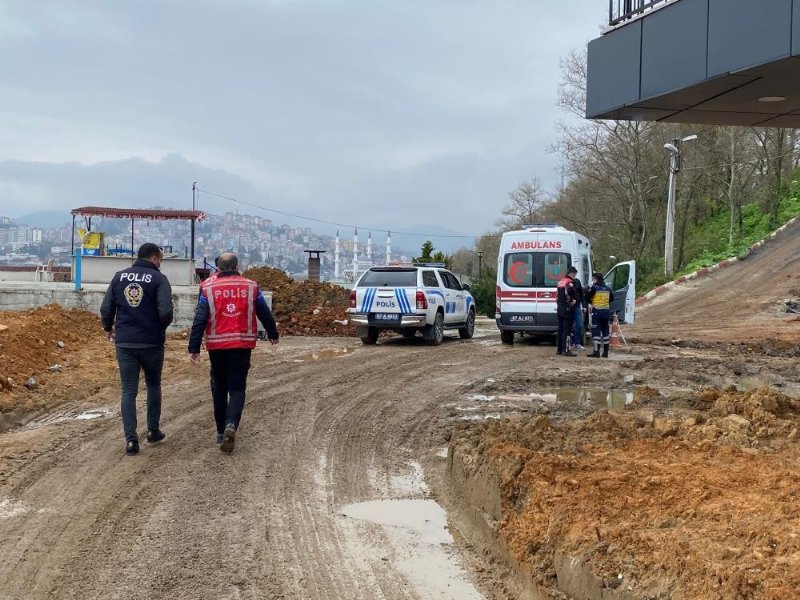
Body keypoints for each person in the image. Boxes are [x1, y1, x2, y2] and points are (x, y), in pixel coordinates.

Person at [187, 252, 279, 453]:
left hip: (216, 346)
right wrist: (273, 333)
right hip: (242, 345)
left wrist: (193, 348)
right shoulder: (251, 286)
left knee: (218, 387)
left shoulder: (208, 288)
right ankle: (231, 425)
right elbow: (264, 312)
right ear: (238, 266)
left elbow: (200, 318)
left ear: (218, 268)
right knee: (237, 387)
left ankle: (221, 431)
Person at [100, 243, 173, 455]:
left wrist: (107, 327)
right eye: (160, 258)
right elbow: (166, 311)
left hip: (125, 343)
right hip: (151, 343)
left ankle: (131, 441)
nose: (161, 262)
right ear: (154, 258)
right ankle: (152, 430)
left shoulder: (119, 277)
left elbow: (107, 307)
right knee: (153, 384)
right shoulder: (159, 279)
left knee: (128, 391)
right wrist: (160, 327)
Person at [585, 271, 615, 358]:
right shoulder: (608, 288)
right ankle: (605, 353)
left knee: (596, 333)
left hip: (597, 312)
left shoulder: (594, 288)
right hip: (606, 312)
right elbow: (611, 299)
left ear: (595, 279)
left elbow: (586, 298)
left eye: (593, 279)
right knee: (605, 332)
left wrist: (591, 300)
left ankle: (596, 352)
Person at [556, 266, 579, 357]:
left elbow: (557, 296)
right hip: (568, 309)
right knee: (568, 330)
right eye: (575, 274)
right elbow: (570, 293)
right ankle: (566, 350)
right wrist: (573, 301)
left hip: (560, 308)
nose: (575, 276)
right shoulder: (569, 282)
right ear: (571, 273)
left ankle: (559, 349)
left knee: (560, 329)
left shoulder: (560, 281)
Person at [570, 273, 586, 350]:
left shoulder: (577, 282)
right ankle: (570, 343)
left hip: (577, 305)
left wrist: (584, 306)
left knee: (579, 324)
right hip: (568, 306)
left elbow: (582, 295)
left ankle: (577, 343)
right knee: (569, 326)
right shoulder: (566, 282)